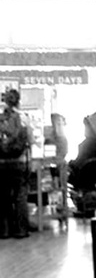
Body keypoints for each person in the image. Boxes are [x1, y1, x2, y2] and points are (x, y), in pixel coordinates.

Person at [0, 88, 32, 239]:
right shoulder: (24, 118)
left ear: (5, 100)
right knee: (20, 196)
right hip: (19, 162)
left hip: (2, 162)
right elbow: (30, 140)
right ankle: (21, 230)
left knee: (4, 196)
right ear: (18, 101)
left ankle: (5, 231)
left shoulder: (0, 117)